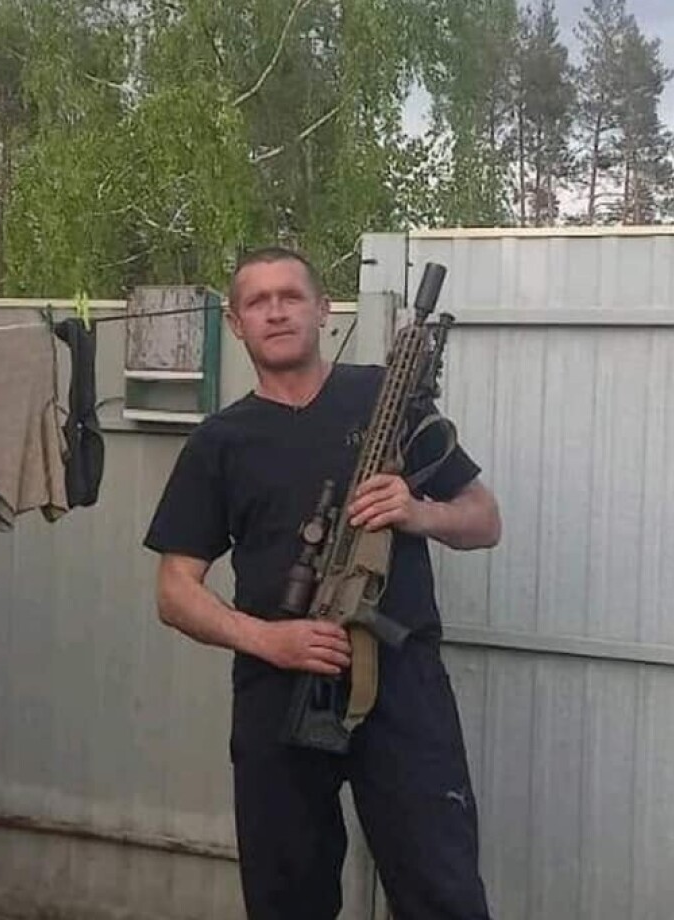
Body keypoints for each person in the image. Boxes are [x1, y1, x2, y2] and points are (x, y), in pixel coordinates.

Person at [143, 246, 502, 920]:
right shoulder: (220, 441)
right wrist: (270, 641)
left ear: (323, 309)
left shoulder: (387, 400)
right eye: (258, 301)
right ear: (236, 323)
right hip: (277, 691)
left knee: (442, 890)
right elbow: (175, 590)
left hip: (402, 685)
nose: (276, 312)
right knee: (287, 899)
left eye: (291, 296)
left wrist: (416, 512)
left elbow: (484, 519)